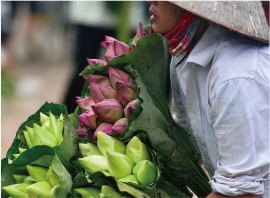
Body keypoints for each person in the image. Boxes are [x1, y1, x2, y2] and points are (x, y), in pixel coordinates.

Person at [146, 0, 270, 198]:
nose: (151, 0)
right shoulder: (182, 58)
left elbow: (240, 193)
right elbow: (187, 147)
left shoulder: (235, 76)